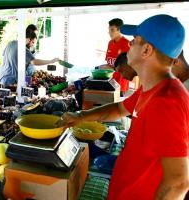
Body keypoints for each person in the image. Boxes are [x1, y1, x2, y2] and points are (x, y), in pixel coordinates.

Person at [58, 14, 189, 199]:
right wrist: (80, 116)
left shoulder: (168, 102)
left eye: (135, 40)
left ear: (146, 50)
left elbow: (178, 182)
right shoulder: (151, 88)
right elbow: (118, 109)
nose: (129, 43)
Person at [105, 18, 130, 96]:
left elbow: (128, 68)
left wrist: (111, 68)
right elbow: (108, 62)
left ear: (120, 30)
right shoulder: (110, 43)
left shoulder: (127, 44)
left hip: (120, 85)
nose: (109, 33)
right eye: (109, 30)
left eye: (112, 30)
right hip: (110, 82)